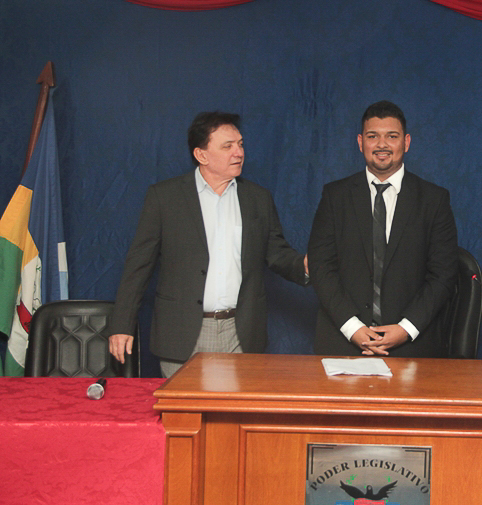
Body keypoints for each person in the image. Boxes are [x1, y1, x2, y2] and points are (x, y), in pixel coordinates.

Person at [108, 112, 308, 377]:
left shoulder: (257, 198)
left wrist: (306, 265)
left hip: (242, 332)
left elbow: (277, 253)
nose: (239, 153)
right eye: (228, 146)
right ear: (201, 155)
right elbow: (138, 265)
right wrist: (122, 324)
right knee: (184, 406)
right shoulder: (164, 197)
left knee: (236, 405)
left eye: (240, 144)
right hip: (182, 334)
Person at [308, 100, 458, 357]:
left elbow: (443, 275)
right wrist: (353, 328)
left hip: (412, 346)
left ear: (406, 142)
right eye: (372, 136)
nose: (382, 145)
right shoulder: (335, 196)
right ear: (360, 142)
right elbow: (321, 267)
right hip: (344, 343)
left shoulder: (434, 200)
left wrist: (405, 329)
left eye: (392, 136)